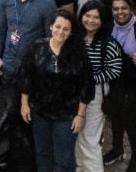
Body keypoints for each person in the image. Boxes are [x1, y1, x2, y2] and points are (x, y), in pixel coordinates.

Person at [19, 9, 95, 172]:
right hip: (40, 111)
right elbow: (26, 75)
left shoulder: (78, 53)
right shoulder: (37, 46)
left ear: (71, 32)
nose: (61, 31)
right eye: (58, 26)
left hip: (66, 114)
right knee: (42, 153)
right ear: (51, 27)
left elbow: (86, 85)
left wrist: (81, 115)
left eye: (66, 29)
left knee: (64, 159)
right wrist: (24, 104)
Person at [0, 0, 57, 116]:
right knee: (10, 107)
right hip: (8, 63)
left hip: (32, 66)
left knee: (30, 109)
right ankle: (10, 138)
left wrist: (43, 67)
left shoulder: (47, 3)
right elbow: (0, 29)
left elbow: (51, 39)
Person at [76, 0, 124, 172]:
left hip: (95, 95)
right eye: (87, 15)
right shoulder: (75, 39)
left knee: (90, 139)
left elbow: (115, 69)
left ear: (103, 20)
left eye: (96, 17)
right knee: (77, 136)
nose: (91, 20)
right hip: (73, 93)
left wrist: (90, 79)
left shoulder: (108, 43)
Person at [106, 0, 136, 170]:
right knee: (116, 117)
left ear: (131, 9)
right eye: (116, 9)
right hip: (115, 81)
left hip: (133, 83)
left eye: (124, 8)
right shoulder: (110, 27)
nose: (120, 12)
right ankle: (117, 149)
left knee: (131, 121)